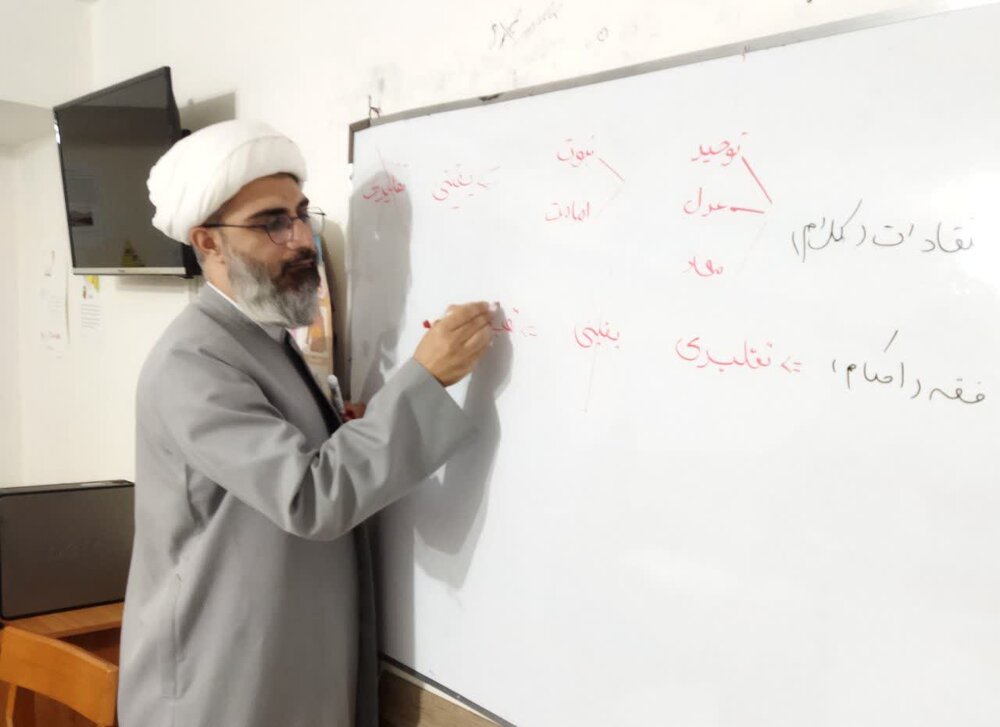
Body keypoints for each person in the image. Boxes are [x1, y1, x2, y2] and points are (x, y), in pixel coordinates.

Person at [118, 120, 492, 727]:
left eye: (299, 214)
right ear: (208, 242)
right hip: (221, 677)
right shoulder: (194, 361)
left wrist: (342, 429)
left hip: (270, 656)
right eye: (271, 223)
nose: (300, 240)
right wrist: (425, 379)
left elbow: (282, 464)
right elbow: (309, 497)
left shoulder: (257, 337)